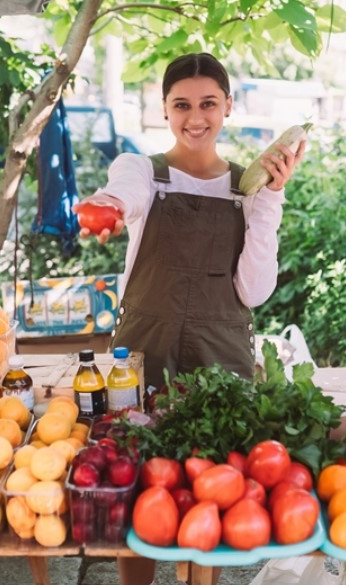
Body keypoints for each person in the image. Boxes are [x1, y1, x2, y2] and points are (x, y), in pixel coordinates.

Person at [72, 52, 306, 585]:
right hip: (144, 347)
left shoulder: (249, 186)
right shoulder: (143, 172)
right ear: (163, 109)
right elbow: (123, 195)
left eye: (208, 103)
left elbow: (255, 289)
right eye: (181, 104)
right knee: (140, 484)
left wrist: (273, 198)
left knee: (209, 487)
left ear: (228, 106)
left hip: (221, 353)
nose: (194, 117)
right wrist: (105, 205)